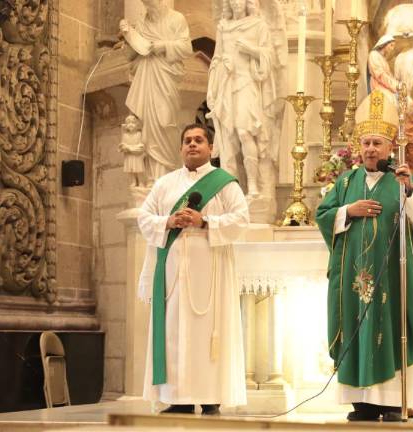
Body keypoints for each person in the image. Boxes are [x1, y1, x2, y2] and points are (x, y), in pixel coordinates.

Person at [316, 90, 413, 422]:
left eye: (377, 143)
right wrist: (348, 210)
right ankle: (362, 404)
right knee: (357, 328)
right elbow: (323, 216)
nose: (371, 149)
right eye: (366, 143)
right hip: (354, 280)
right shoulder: (346, 182)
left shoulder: (402, 181)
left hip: (393, 276)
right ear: (359, 147)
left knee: (391, 327)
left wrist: (409, 191)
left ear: (389, 148)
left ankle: (393, 401)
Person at [137, 124, 249, 415]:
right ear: (180, 148)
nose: (192, 144)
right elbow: (144, 217)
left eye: (199, 140)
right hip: (173, 271)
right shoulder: (165, 184)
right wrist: (169, 221)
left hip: (211, 269)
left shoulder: (225, 184)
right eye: (187, 141)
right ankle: (179, 398)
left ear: (211, 148)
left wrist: (205, 222)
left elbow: (241, 220)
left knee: (209, 331)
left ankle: (210, 397)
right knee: (174, 332)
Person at [206, 0, 284, 206]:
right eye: (232, 0)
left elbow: (269, 55)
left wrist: (251, 49)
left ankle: (254, 186)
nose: (236, 3)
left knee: (244, 132)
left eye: (240, 0)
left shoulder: (258, 25)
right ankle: (230, 190)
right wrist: (220, 70)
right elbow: (216, 58)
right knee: (228, 138)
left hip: (248, 83)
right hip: (227, 84)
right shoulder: (223, 27)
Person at [120, 0, 193, 183]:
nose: (149, 8)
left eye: (151, 4)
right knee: (145, 127)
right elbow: (130, 55)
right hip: (145, 79)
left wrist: (163, 46)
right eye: (146, 5)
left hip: (165, 79)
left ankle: (165, 178)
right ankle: (150, 180)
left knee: (164, 123)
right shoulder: (142, 23)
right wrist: (128, 35)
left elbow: (187, 48)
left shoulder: (176, 18)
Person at [119, 114, 147, 187]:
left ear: (137, 124)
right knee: (131, 170)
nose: (131, 125)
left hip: (137, 156)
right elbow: (122, 146)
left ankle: (141, 182)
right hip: (129, 156)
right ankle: (133, 181)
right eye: (128, 123)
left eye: (133, 123)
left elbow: (141, 146)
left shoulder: (139, 134)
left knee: (139, 169)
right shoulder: (125, 135)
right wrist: (125, 148)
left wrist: (130, 148)